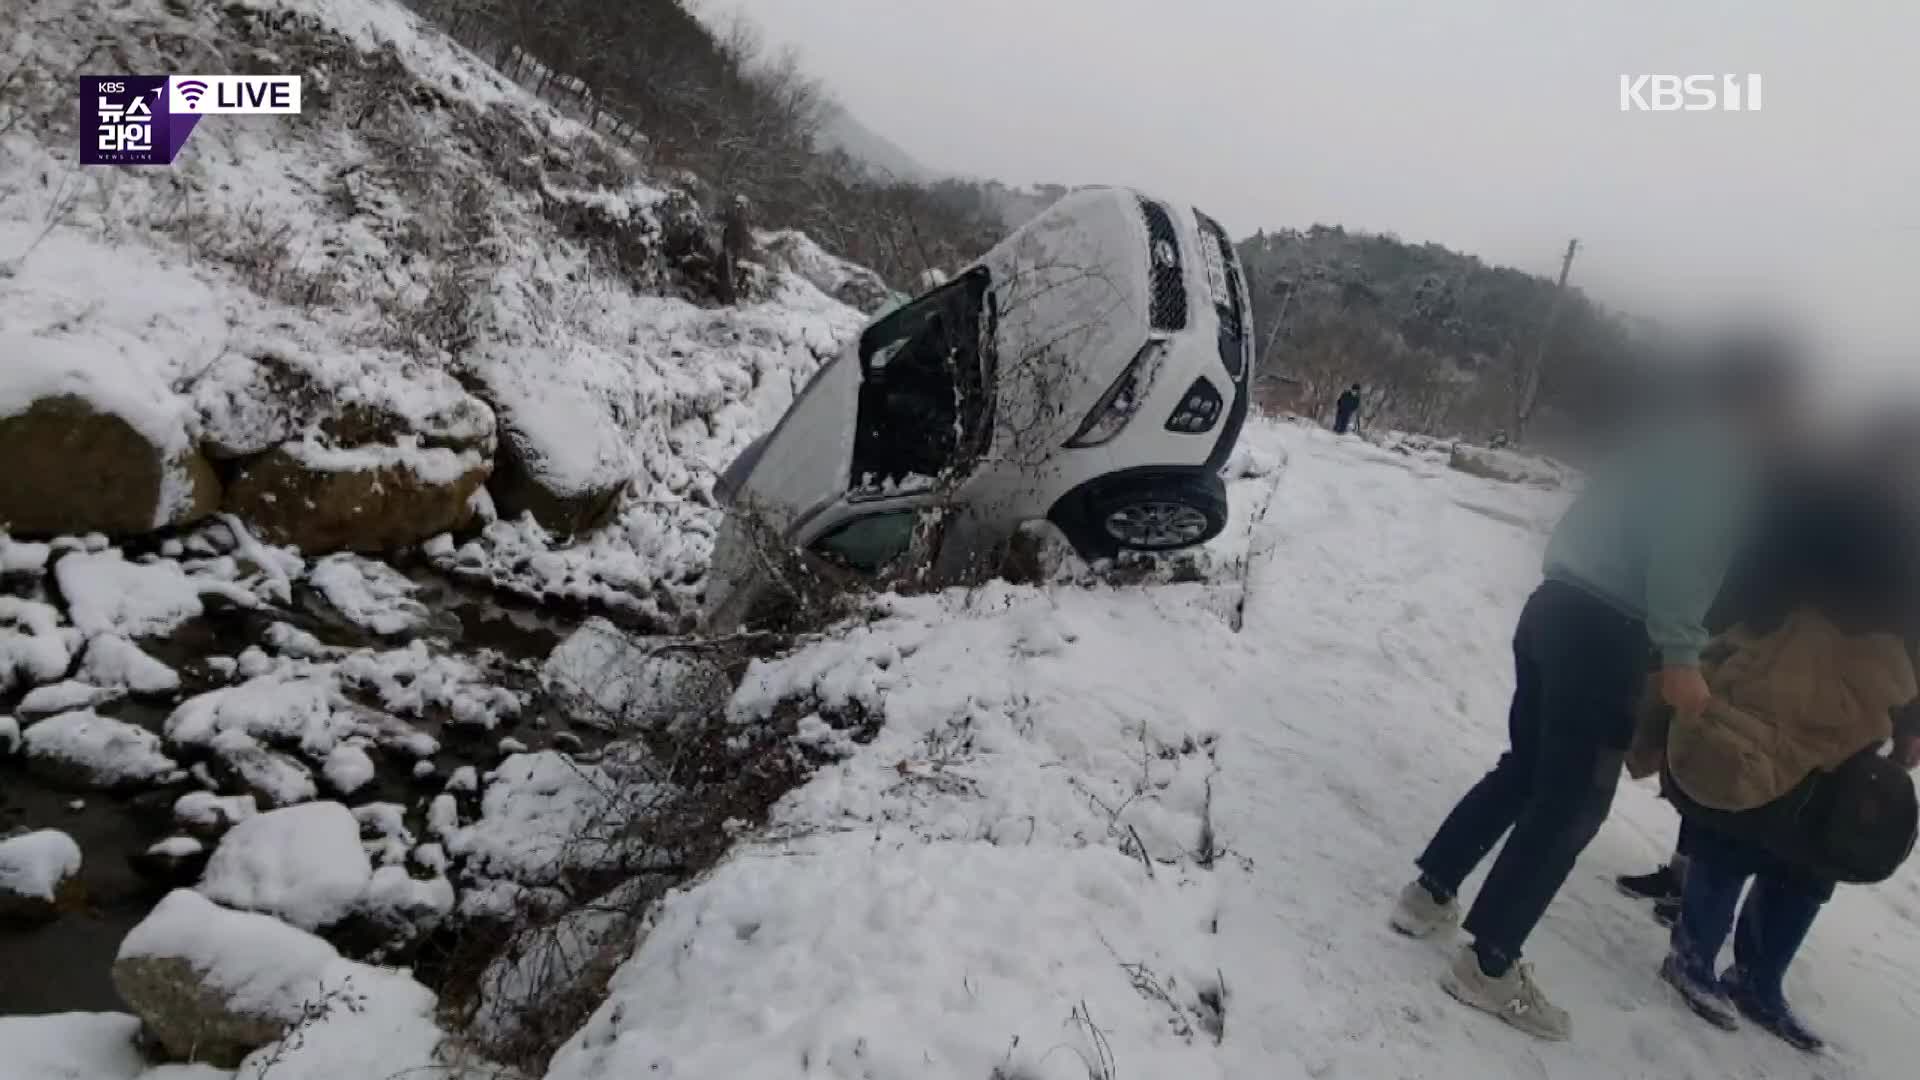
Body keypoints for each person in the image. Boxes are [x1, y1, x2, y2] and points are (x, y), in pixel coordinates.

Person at [1387, 343, 1800, 1042]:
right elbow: (1683, 556)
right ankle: (1488, 966)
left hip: (1554, 607)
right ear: (1760, 402)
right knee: (1572, 802)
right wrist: (1680, 652)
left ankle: (1429, 893)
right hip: (1607, 631)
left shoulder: (1662, 440)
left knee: (1524, 769)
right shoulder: (1722, 462)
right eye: (1789, 408)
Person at [1641, 411, 1920, 1052]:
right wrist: (1695, 656)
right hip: (1770, 682)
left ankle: (1758, 978)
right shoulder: (1807, 499)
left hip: (1856, 710)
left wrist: (1910, 723)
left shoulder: (1910, 533)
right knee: (1734, 823)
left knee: (1818, 850)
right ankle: (1692, 958)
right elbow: (1742, 578)